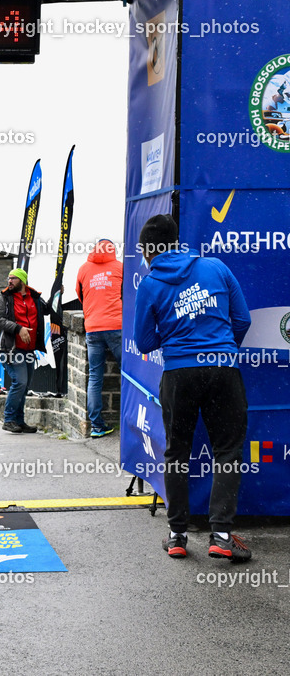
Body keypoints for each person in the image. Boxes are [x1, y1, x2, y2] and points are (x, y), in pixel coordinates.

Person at [134, 213, 252, 562]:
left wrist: (174, 336)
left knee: (176, 453)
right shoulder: (215, 267)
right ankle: (221, 535)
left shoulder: (150, 284)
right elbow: (242, 320)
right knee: (227, 451)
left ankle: (177, 536)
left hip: (179, 374)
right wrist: (222, 350)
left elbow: (143, 342)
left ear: (147, 251)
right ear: (175, 242)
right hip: (223, 370)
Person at [76, 238, 124, 438]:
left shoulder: (83, 269)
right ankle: (130, 421)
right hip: (116, 326)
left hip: (93, 327)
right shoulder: (120, 267)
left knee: (95, 377)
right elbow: (127, 293)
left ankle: (96, 426)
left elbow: (80, 295)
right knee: (128, 373)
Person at [0, 268, 45, 434]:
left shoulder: (34, 297)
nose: (9, 281)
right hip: (11, 349)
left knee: (25, 385)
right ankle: (8, 419)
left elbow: (48, 310)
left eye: (13, 279)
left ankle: (19, 421)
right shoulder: (4, 298)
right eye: (8, 278)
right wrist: (18, 328)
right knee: (20, 382)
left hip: (29, 349)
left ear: (22, 281)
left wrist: (59, 294)